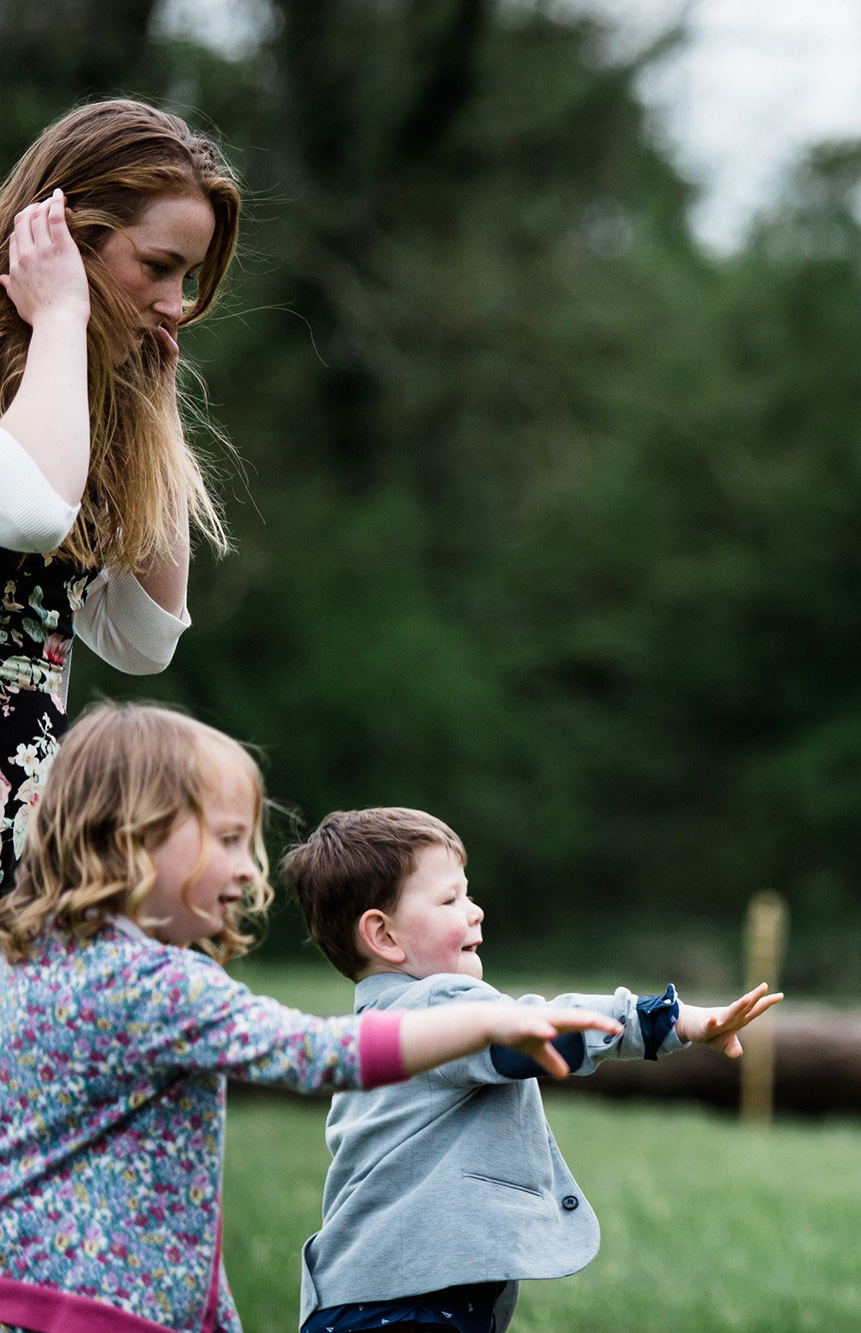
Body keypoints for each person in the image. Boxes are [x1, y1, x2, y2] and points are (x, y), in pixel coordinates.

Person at [0, 703, 625, 1333]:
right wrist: (483, 1025)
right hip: (113, 1315)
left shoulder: (21, 966)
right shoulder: (157, 986)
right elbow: (317, 1053)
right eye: (227, 839)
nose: (249, 867)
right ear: (134, 838)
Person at [281, 807, 782, 1333]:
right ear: (383, 936)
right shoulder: (431, 1005)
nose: (474, 911)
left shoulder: (370, 1033)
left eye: (468, 894)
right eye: (450, 899)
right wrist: (667, 1020)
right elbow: (531, 1030)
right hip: (407, 1309)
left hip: (362, 1301)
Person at [0, 99, 243, 886]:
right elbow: (29, 513)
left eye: (189, 279)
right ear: (71, 235)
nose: (175, 305)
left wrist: (153, 415)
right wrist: (65, 312)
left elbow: (142, 639)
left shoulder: (82, 399)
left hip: (23, 832)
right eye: (160, 266)